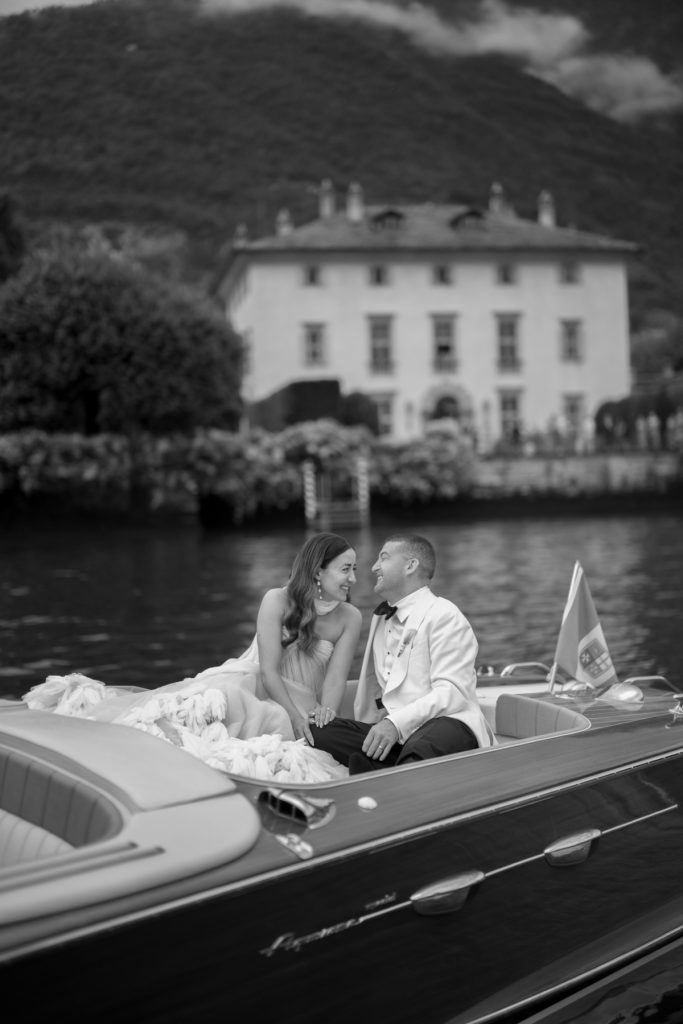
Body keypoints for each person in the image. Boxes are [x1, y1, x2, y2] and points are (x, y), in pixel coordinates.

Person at [23, 533, 363, 783]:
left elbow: (334, 678)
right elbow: (269, 670)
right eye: (346, 569)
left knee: (275, 740)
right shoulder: (276, 600)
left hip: (307, 700)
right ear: (318, 571)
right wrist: (294, 715)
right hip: (263, 686)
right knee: (202, 711)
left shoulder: (350, 617)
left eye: (355, 569)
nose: (353, 578)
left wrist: (324, 715)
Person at [310, 533, 495, 774]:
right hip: (398, 733)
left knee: (425, 743)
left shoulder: (445, 615)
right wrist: (379, 726)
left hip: (447, 724)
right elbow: (378, 688)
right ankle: (387, 766)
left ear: (411, 565)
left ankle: (387, 775)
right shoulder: (381, 619)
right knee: (318, 730)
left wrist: (395, 724)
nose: (374, 567)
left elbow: (452, 693)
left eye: (383, 558)